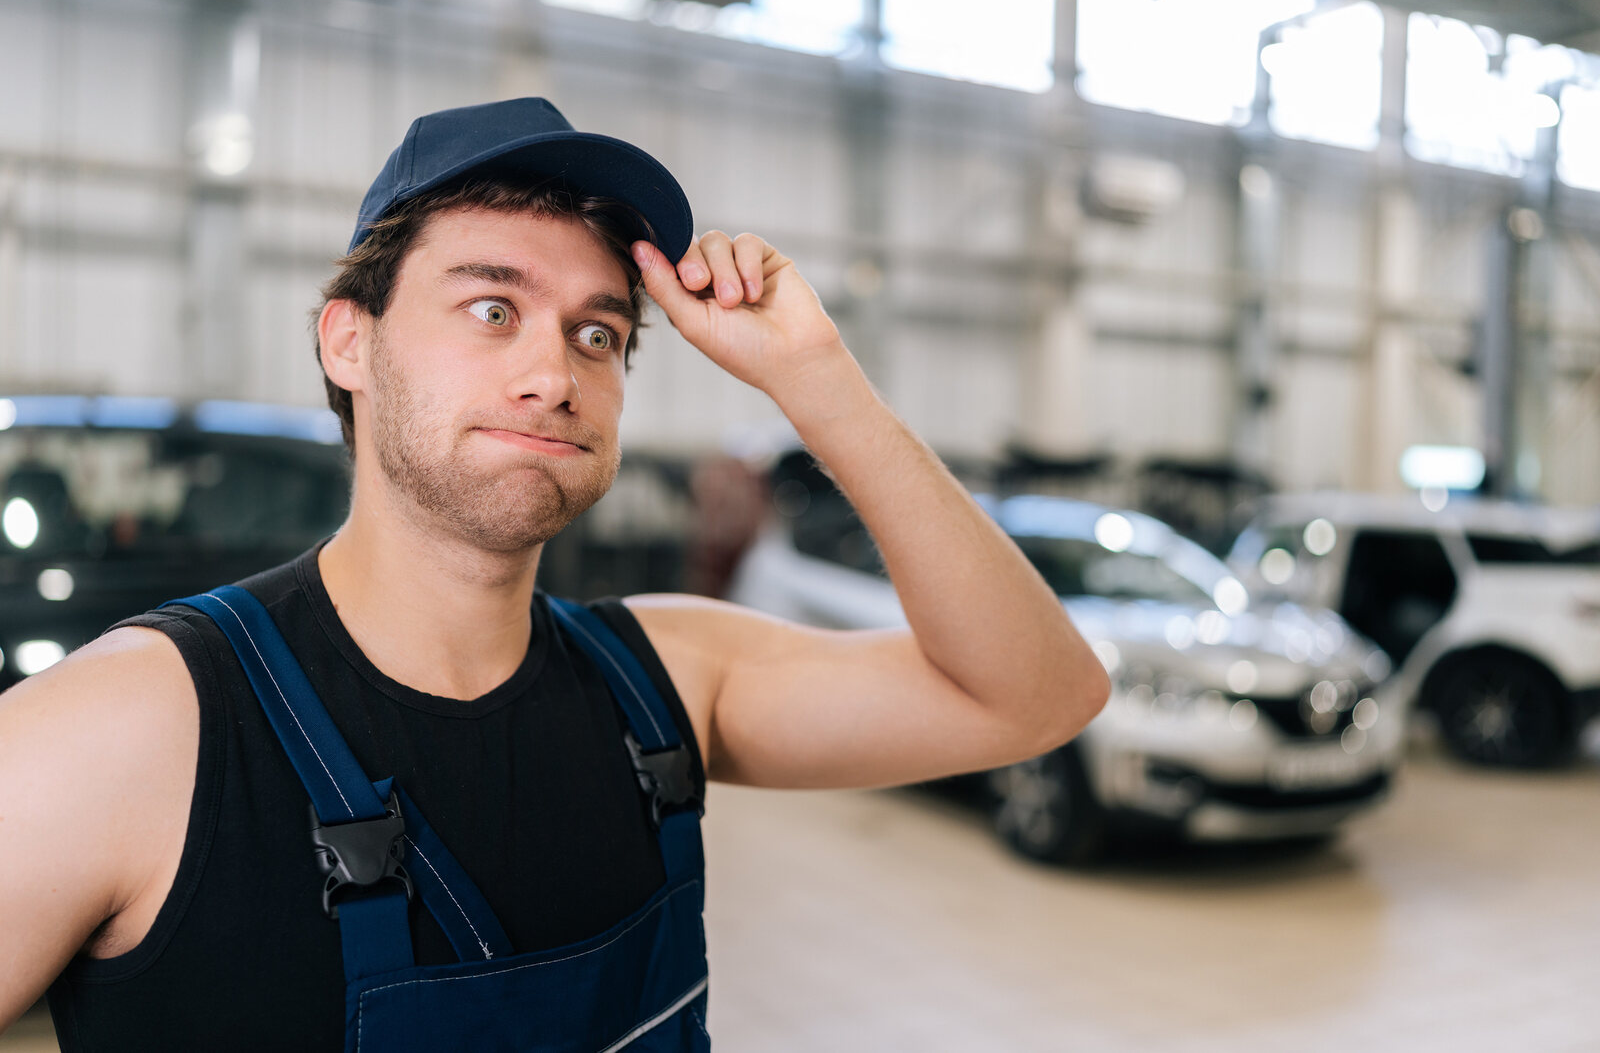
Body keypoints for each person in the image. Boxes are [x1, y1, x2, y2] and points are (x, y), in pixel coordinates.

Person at [0, 98, 1108, 1049]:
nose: (552, 372)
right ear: (350, 343)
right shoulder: (126, 730)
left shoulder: (669, 678)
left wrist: (815, 379)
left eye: (596, 333)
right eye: (493, 308)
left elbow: (1039, 692)